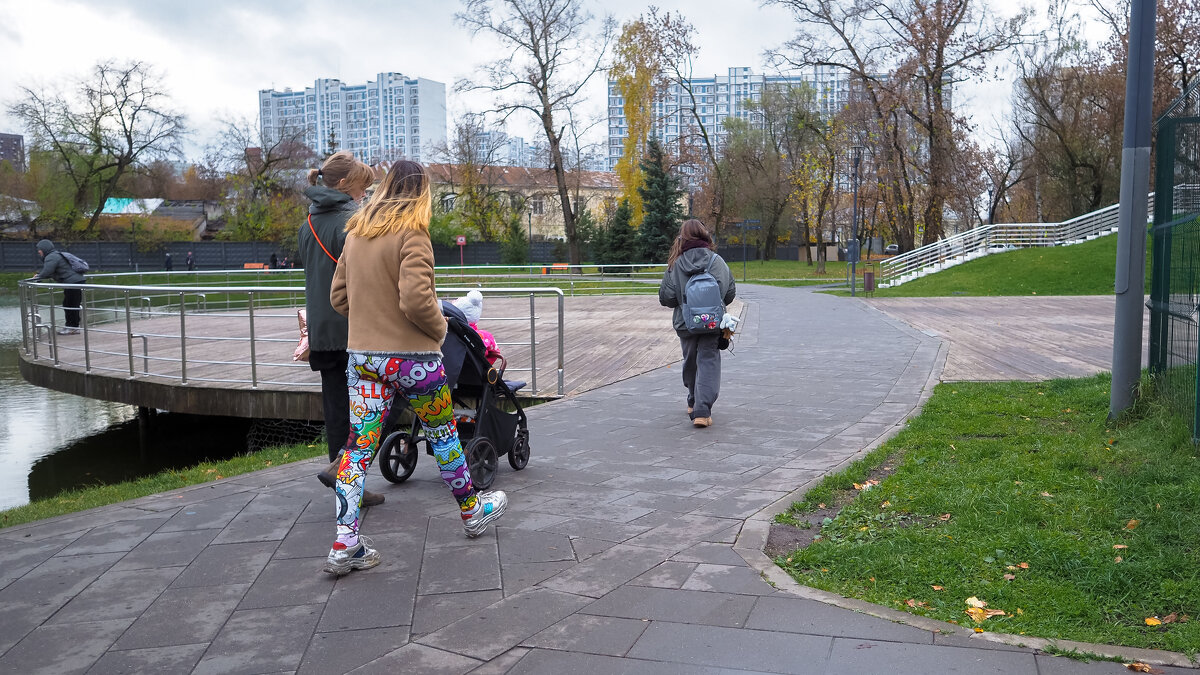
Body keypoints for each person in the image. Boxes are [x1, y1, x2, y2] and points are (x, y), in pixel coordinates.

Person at [325, 160, 507, 575]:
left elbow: (339, 300)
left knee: (358, 448)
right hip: (414, 360)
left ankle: (345, 541)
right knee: (443, 435)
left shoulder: (356, 233)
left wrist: (372, 316)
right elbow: (416, 301)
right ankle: (471, 511)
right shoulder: (413, 233)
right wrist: (441, 328)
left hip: (364, 360)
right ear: (421, 192)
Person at [298, 151, 385, 509]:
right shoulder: (353, 220)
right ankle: (346, 468)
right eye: (363, 187)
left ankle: (348, 487)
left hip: (321, 329)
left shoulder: (308, 223)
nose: (365, 194)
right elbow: (366, 275)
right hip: (354, 326)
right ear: (347, 186)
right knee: (384, 397)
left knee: (337, 408)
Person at [658, 219, 736, 428]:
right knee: (708, 361)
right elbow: (729, 294)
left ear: (682, 238)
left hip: (686, 323)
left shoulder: (676, 263)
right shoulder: (717, 261)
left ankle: (693, 401)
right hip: (712, 323)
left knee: (690, 360)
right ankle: (703, 410)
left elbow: (666, 298)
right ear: (705, 236)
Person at [30, 239, 86, 336]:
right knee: (71, 304)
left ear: (44, 249)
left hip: (72, 282)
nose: (38, 251)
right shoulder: (54, 255)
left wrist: (39, 277)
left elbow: (48, 270)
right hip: (74, 281)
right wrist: (40, 275)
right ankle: (73, 327)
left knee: (70, 304)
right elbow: (51, 271)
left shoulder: (51, 257)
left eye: (39, 249)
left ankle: (72, 327)